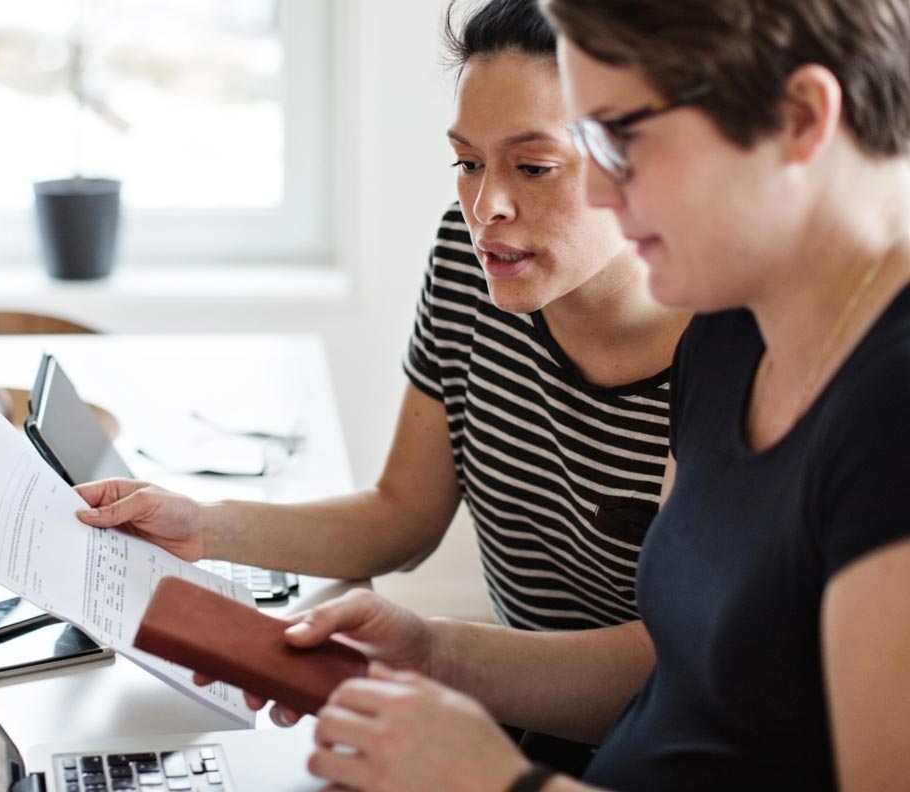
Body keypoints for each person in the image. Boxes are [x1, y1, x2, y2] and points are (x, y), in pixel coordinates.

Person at [230, 0, 910, 790]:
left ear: (799, 119)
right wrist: (431, 652)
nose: (606, 194)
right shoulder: (733, 329)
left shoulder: (888, 407)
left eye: (623, 139)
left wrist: (503, 784)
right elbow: (674, 682)